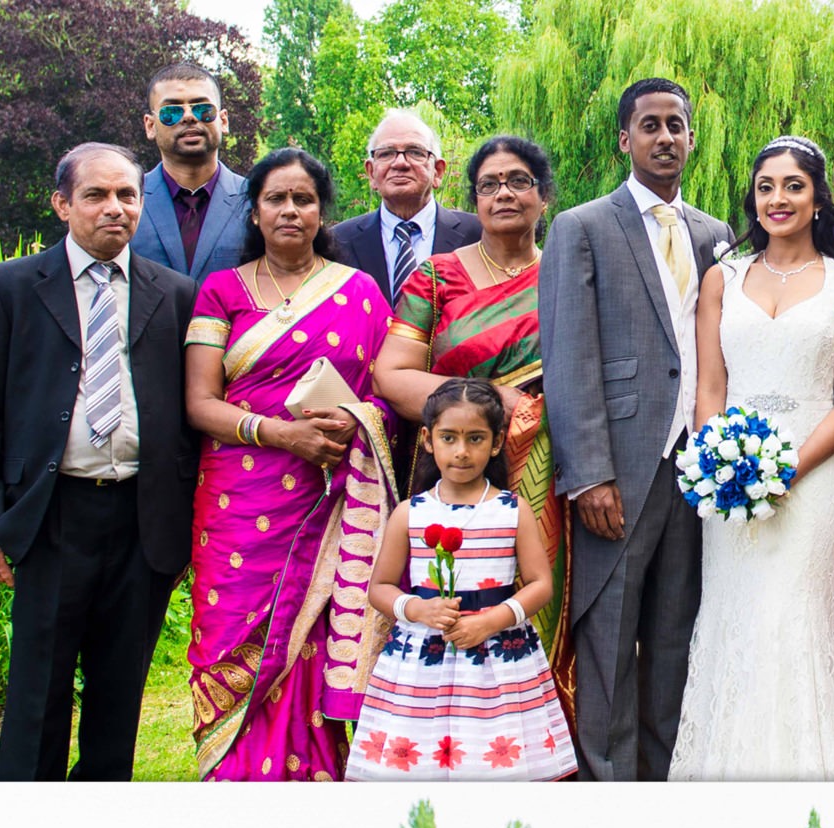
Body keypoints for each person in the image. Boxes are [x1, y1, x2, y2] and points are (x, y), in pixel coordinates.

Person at [0, 142, 200, 783]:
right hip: (52, 514)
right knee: (39, 686)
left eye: (127, 195)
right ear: (63, 204)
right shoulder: (9, 288)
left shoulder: (174, 295)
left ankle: (96, 819)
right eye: (96, 195)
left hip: (142, 518)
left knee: (120, 688)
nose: (114, 208)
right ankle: (23, 827)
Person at [182, 147, 397, 781]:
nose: (289, 210)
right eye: (275, 198)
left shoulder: (359, 292)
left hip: (327, 494)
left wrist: (360, 417)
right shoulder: (221, 291)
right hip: (238, 501)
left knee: (312, 634)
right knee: (231, 628)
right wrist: (281, 434)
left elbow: (387, 389)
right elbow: (199, 402)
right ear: (253, 211)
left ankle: (314, 773)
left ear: (321, 210)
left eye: (303, 199)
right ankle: (233, 771)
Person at [539, 78, 733, 779]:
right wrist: (587, 471)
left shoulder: (717, 236)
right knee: (612, 638)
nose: (663, 137)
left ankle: (664, 778)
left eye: (675, 125)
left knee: (676, 634)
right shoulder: (582, 227)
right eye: (648, 125)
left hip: (697, 469)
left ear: (690, 136)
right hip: (619, 467)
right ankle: (607, 781)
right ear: (625, 138)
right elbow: (567, 355)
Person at [670, 137, 834, 780]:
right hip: (727, 480)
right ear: (752, 198)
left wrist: (787, 467)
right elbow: (709, 388)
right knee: (735, 613)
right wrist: (715, 463)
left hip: (814, 477)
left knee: (796, 617)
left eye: (793, 185)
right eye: (766, 186)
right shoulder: (722, 278)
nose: (778, 198)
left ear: (817, 197)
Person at [372, 135, 573, 712]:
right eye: (488, 184)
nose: (503, 193)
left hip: (556, 471)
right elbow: (392, 373)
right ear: (473, 199)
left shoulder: (568, 273)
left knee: (545, 596)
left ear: (543, 196)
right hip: (460, 474)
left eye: (518, 181)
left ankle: (545, 735)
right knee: (454, 603)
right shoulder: (436, 278)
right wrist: (496, 401)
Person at [346, 378, 577, 780]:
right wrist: (416, 608)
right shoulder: (410, 513)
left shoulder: (512, 510)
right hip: (423, 661)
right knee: (420, 766)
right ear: (428, 439)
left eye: (475, 439)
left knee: (493, 761)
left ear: (496, 442)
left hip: (498, 661)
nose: (462, 451)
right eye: (449, 438)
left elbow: (541, 584)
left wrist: (492, 621)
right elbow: (379, 588)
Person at [329, 108, 483, 307]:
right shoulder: (338, 242)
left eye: (415, 152)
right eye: (386, 154)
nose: (400, 163)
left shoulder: (479, 235)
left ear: (438, 171)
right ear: (371, 173)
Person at [132, 63, 249, 283]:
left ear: (223, 120)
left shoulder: (255, 200)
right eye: (171, 112)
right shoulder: (128, 202)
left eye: (202, 110)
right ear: (150, 125)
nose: (188, 117)